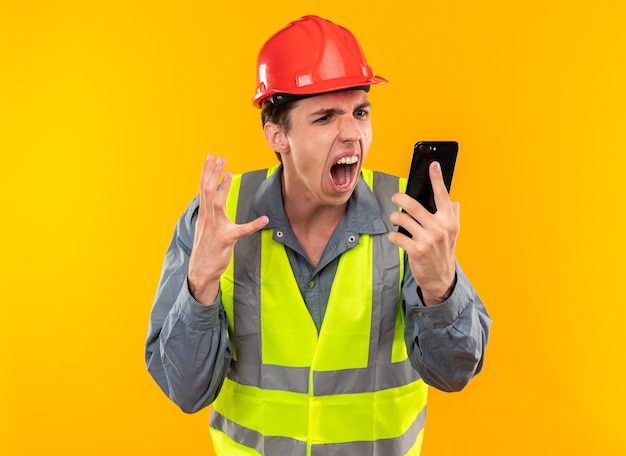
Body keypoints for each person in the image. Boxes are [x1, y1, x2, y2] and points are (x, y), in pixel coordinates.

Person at [145, 15, 491, 456]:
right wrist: (200, 287)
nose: (352, 134)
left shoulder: (409, 220)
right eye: (325, 117)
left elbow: (453, 373)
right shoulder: (216, 221)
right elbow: (186, 390)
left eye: (360, 112)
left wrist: (441, 287)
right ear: (277, 134)